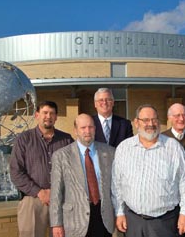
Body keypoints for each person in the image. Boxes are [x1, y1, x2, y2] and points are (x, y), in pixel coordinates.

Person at [111, 104, 185, 237]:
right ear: (136, 122)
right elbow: (117, 184)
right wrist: (119, 212)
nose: (150, 124)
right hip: (133, 221)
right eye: (145, 120)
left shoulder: (173, 147)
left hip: (163, 222)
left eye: (154, 119)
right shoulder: (124, 148)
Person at [10, 101, 74, 237]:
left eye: (52, 113)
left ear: (56, 117)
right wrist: (39, 192)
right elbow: (16, 172)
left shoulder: (67, 140)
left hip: (61, 201)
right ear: (37, 115)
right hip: (33, 201)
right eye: (45, 113)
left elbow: (75, 170)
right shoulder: (23, 139)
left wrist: (57, 191)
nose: (48, 116)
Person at [50, 114, 115, 237]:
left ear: (95, 129)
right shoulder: (61, 156)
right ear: (75, 130)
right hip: (75, 220)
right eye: (83, 127)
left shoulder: (109, 152)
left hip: (103, 218)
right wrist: (56, 224)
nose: (87, 131)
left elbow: (116, 187)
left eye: (90, 127)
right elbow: (56, 193)